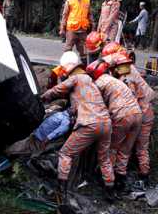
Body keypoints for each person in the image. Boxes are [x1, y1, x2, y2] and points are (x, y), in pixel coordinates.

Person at [41, 51, 115, 202]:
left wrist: (43, 97)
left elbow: (58, 89)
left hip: (89, 123)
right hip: (106, 123)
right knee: (104, 158)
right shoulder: (90, 80)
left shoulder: (75, 78)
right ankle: (110, 192)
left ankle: (61, 193)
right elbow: (78, 103)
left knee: (65, 154)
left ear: (68, 67)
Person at [86, 60, 142, 190]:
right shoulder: (115, 81)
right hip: (137, 114)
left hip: (122, 115)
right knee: (126, 149)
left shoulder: (100, 82)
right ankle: (120, 179)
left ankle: (107, 179)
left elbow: (93, 103)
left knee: (112, 148)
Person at [107, 52, 155, 184]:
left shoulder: (123, 81)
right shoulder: (133, 75)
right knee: (142, 148)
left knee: (120, 147)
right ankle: (144, 175)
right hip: (147, 113)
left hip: (135, 115)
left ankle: (116, 177)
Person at [5, 109, 72, 157]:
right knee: (27, 148)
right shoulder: (66, 121)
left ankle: (9, 151)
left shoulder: (57, 113)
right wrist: (46, 140)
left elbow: (46, 118)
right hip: (41, 139)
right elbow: (57, 132)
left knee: (23, 144)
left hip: (37, 133)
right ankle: (9, 152)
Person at [60, 0, 94, 64]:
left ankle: (85, 68)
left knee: (84, 51)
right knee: (68, 49)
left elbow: (90, 14)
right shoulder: (69, 1)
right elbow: (64, 15)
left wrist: (93, 27)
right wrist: (62, 29)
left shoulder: (87, 0)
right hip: (71, 30)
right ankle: (66, 67)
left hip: (83, 30)